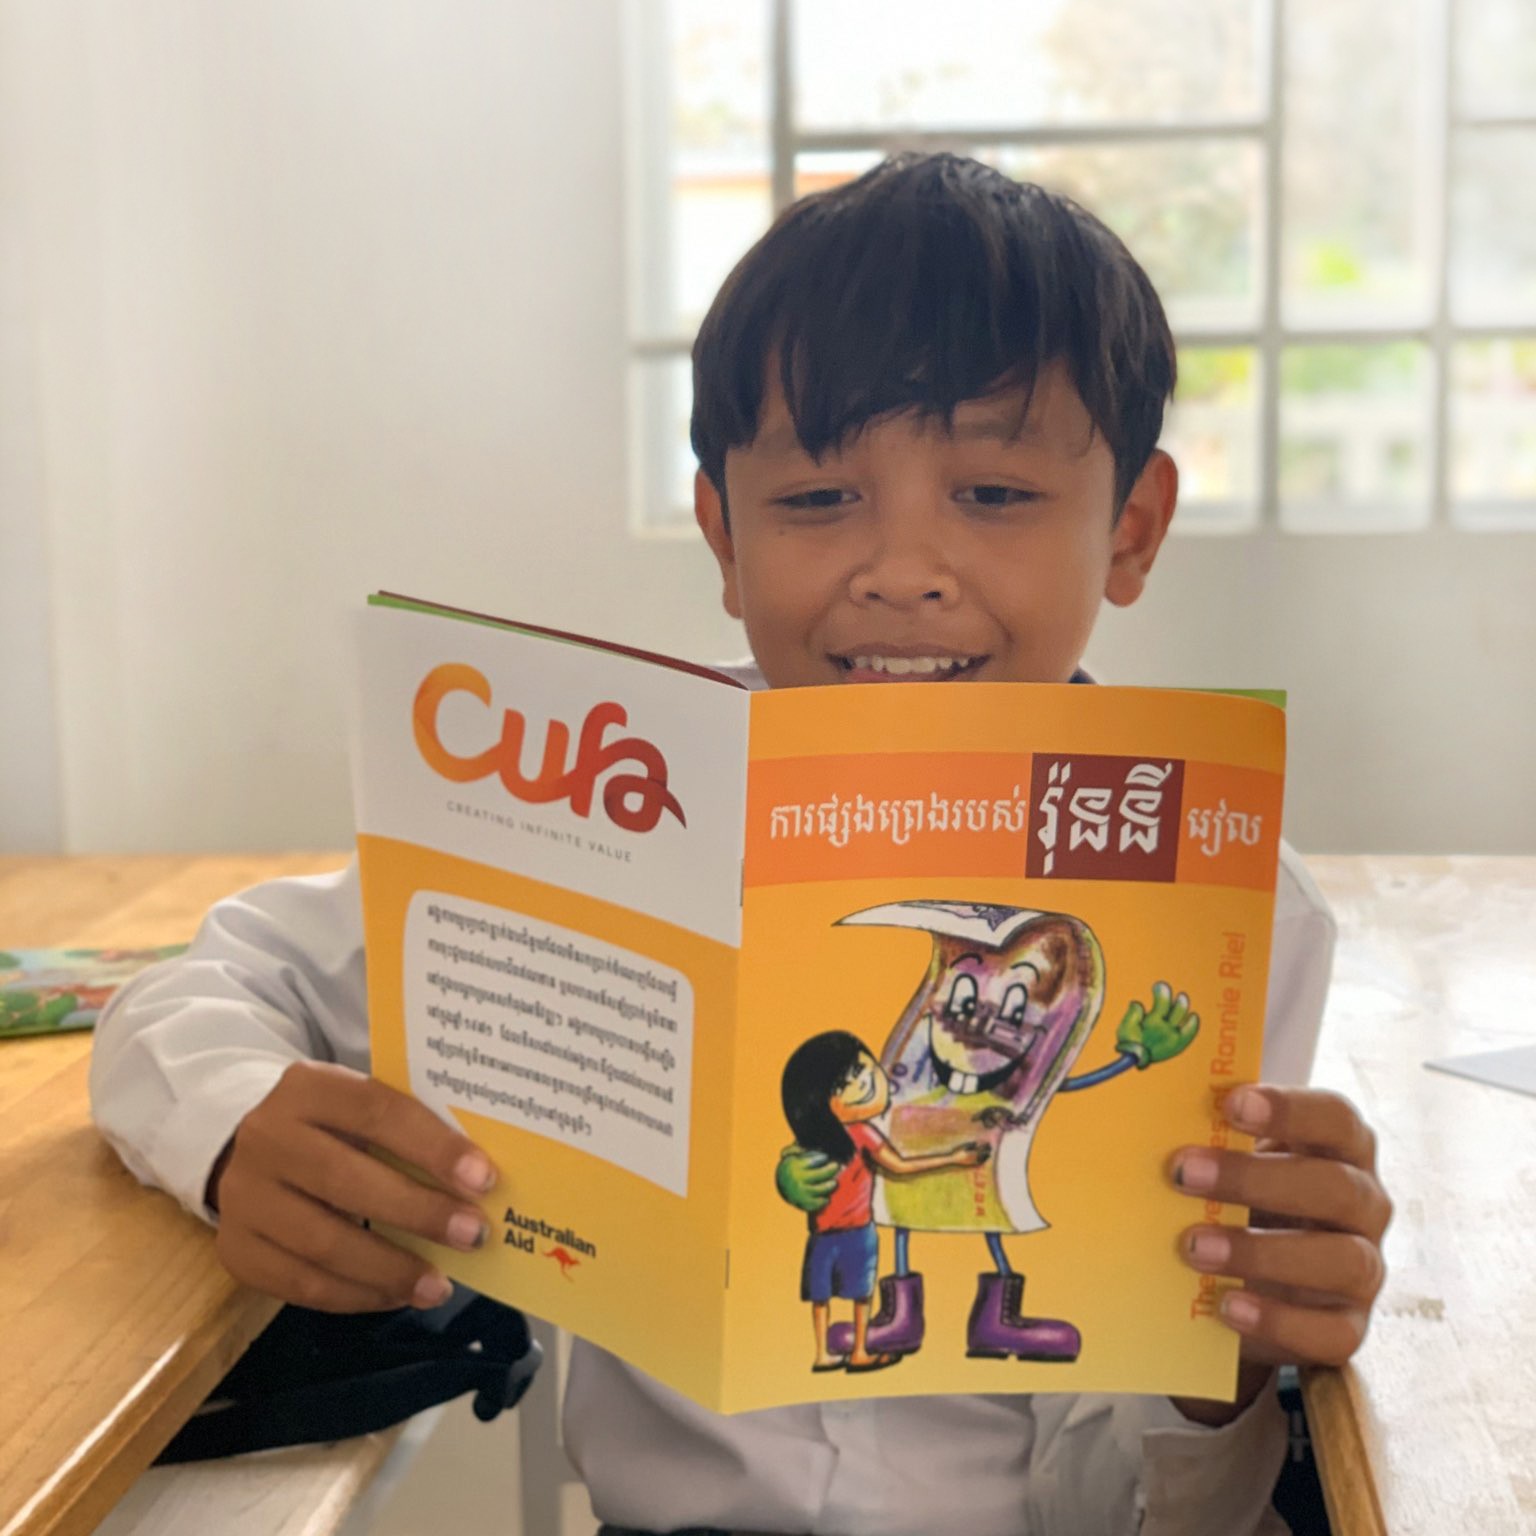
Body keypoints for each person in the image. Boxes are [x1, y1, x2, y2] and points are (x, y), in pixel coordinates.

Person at [90, 153, 1392, 1536]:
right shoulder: (616, 802)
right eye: (819, 500)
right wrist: (232, 1126)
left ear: (1130, 529)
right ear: (723, 532)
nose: (903, 572)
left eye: (994, 495)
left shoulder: (1226, 899)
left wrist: (1224, 1375)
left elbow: (1159, 1505)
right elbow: (197, 987)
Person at [779, 1029, 989, 1373]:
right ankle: (821, 1354)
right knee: (820, 1296)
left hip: (858, 1231)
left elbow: (899, 1165)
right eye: (843, 1083)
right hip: (823, 1233)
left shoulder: (864, 1134)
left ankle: (860, 1351)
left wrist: (954, 1158)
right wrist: (788, 1177)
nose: (862, 1083)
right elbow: (791, 1163)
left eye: (862, 1069)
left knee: (861, 1295)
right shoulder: (815, 1144)